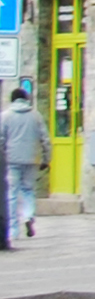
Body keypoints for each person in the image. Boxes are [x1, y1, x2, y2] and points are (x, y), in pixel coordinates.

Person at [1, 83, 41, 247]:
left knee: (11, 193)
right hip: (31, 158)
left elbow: (1, 139)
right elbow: (44, 137)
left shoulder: (5, 116)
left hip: (11, 159)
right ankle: (28, 216)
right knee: (28, 190)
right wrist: (46, 157)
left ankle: (14, 230)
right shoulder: (35, 115)